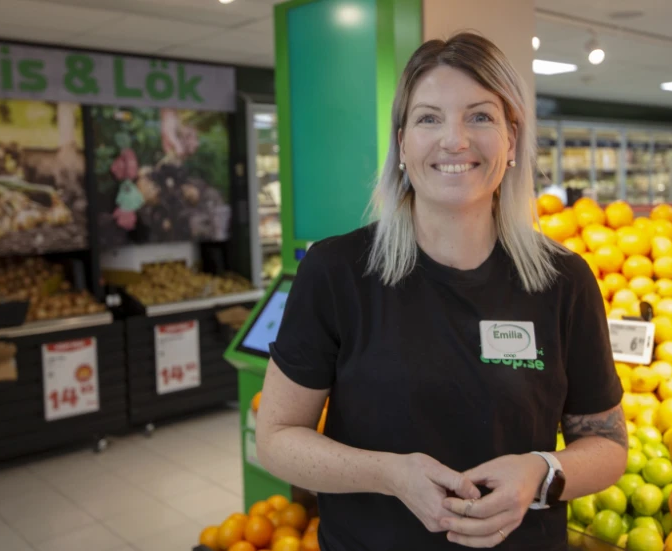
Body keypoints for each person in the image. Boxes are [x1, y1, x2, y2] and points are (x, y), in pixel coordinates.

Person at [255, 32, 627, 551]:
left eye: (480, 116)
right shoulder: (337, 271)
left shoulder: (563, 281)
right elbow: (275, 439)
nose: (455, 140)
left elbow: (607, 445)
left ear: (512, 140)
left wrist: (540, 473)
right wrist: (390, 475)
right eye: (429, 117)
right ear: (402, 143)